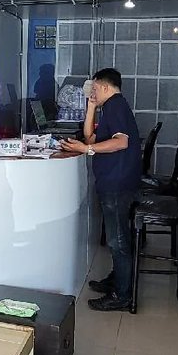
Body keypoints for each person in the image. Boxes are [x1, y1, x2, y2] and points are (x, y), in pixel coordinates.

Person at [62, 67, 142, 312]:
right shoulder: (111, 107)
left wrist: (86, 150)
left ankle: (122, 294)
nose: (92, 92)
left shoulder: (116, 106)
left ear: (105, 87)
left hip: (117, 182)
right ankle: (117, 280)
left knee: (117, 240)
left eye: (95, 88)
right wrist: (91, 107)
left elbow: (121, 142)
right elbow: (90, 138)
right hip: (115, 179)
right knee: (117, 237)